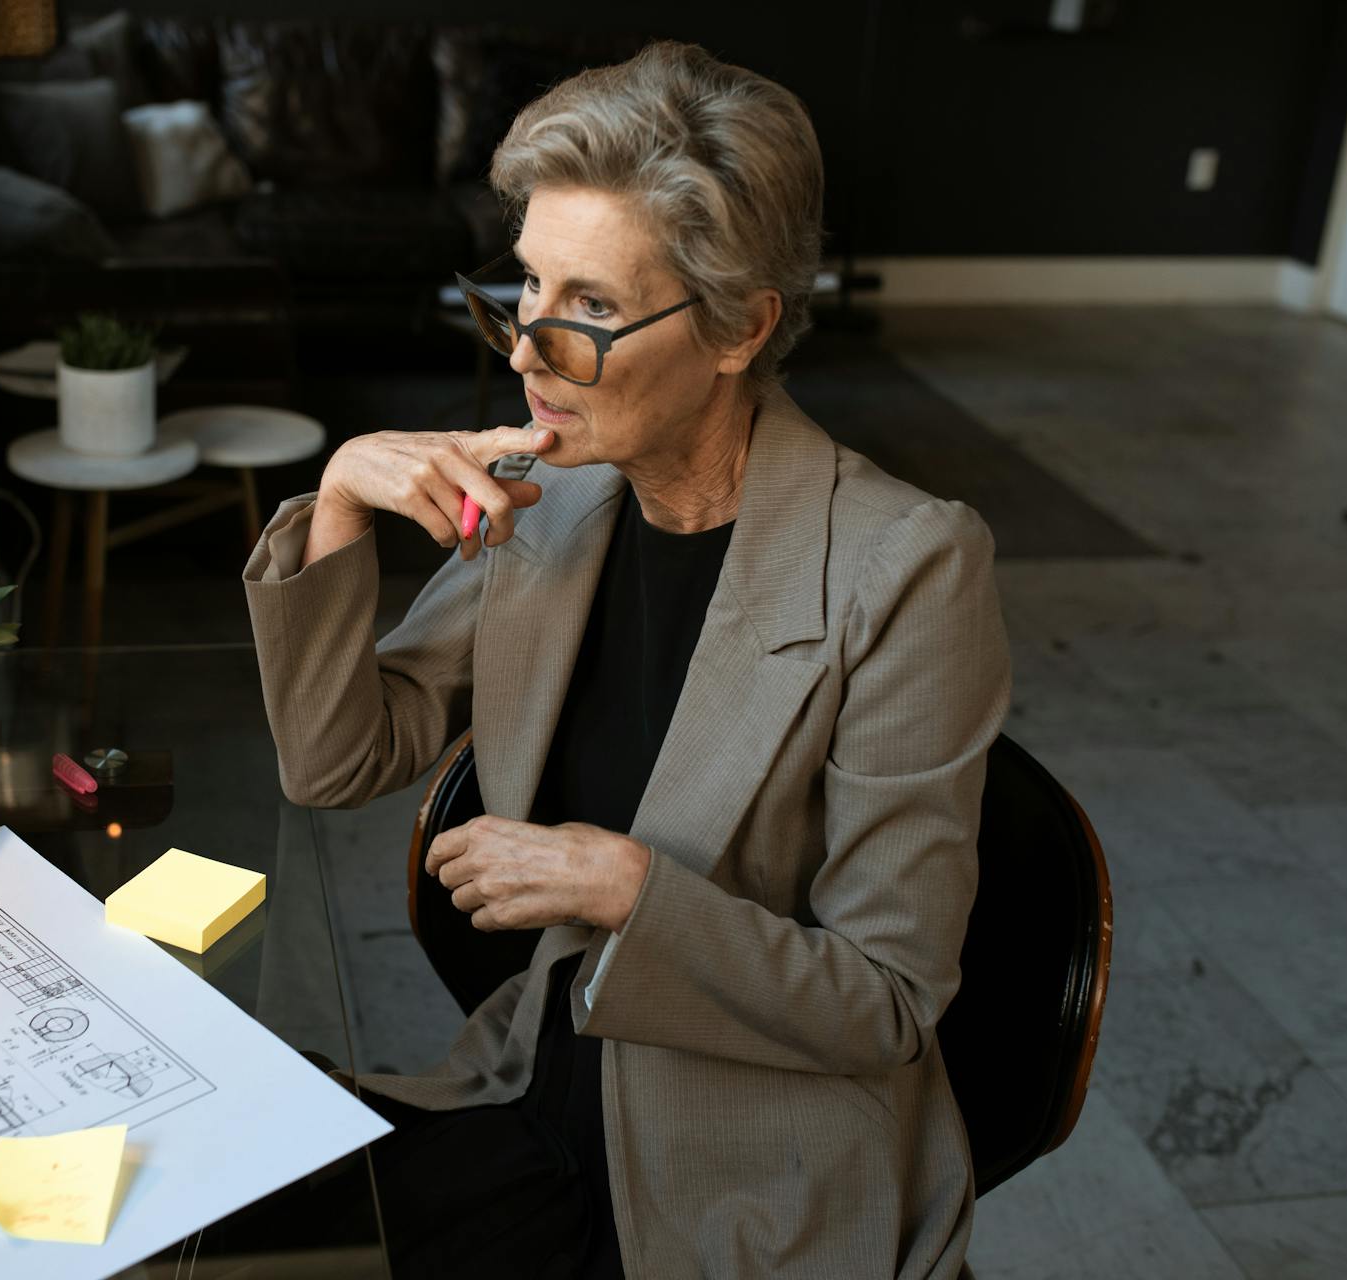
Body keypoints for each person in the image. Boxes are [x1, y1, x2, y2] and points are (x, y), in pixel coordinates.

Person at [241, 38, 1010, 1279]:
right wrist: (338, 502)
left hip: (750, 1170)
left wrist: (625, 887)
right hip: (539, 1088)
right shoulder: (556, 491)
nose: (526, 354)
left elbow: (887, 1000)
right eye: (526, 290)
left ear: (738, 328)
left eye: (590, 309)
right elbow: (336, 760)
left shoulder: (909, 567)